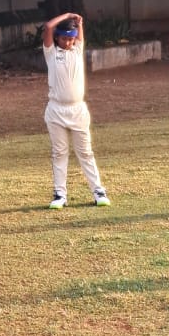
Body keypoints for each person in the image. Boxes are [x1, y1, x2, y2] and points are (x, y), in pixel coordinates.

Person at [40, 11, 109, 209]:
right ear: (57, 38)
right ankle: (60, 195)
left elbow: (79, 35)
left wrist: (79, 23)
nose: (68, 42)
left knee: (85, 152)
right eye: (64, 38)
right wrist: (67, 15)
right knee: (59, 152)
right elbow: (47, 26)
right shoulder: (51, 53)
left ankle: (98, 191)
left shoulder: (77, 50)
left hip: (77, 110)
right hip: (56, 111)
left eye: (70, 39)